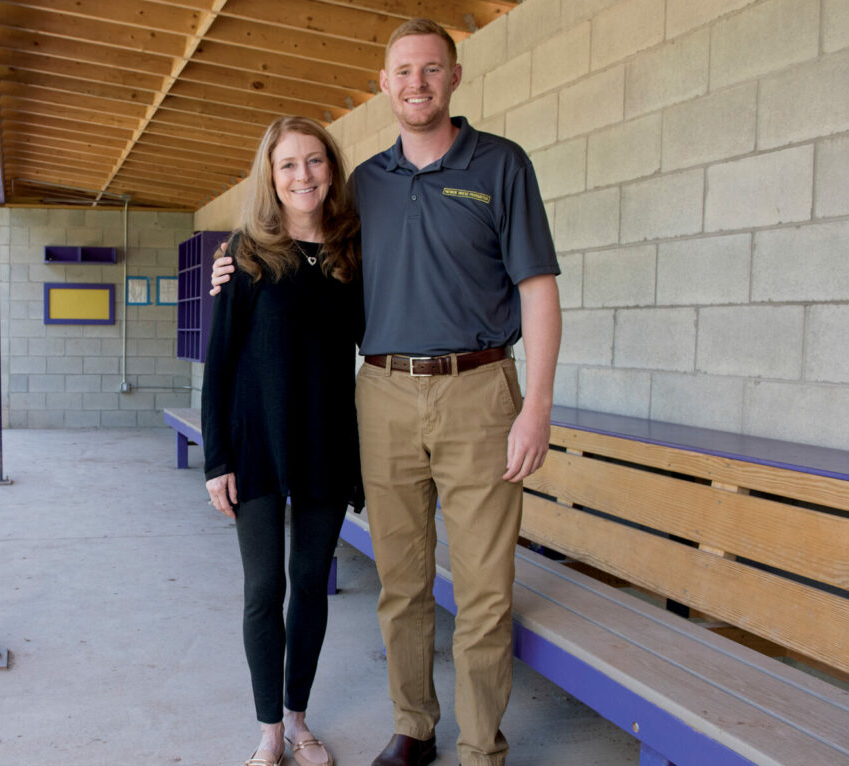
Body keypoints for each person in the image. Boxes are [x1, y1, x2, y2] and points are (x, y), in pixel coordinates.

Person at [211, 19, 562, 766]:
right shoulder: (364, 185)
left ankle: (479, 748)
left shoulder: (501, 165)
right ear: (384, 85)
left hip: (480, 391)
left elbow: (538, 290)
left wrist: (537, 405)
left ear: (454, 77)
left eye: (431, 70)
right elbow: (298, 253)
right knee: (401, 584)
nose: (417, 84)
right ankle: (414, 728)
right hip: (384, 393)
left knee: (484, 592)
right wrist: (230, 270)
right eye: (403, 71)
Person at [203, 115, 363, 766]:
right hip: (257, 444)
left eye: (315, 161)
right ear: (271, 175)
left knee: (309, 584)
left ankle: (299, 717)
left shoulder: (350, 255)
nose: (304, 175)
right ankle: (268, 728)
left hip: (326, 442)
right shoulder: (244, 255)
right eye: (289, 164)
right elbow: (219, 365)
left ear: (332, 170)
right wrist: (217, 461)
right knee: (264, 589)